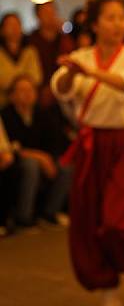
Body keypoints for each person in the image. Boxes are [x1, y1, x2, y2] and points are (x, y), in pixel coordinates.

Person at [51, 0, 124, 306]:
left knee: (118, 220)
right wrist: (70, 72)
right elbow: (61, 89)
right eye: (110, 18)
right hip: (91, 144)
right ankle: (107, 287)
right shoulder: (80, 57)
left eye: (122, 18)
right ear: (95, 24)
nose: (119, 24)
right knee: (90, 221)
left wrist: (89, 73)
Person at [1, 75, 72, 228]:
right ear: (12, 95)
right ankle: (24, 217)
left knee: (66, 166)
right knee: (31, 165)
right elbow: (9, 147)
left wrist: (51, 158)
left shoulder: (43, 114)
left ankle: (49, 212)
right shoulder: (6, 115)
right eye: (22, 90)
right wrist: (40, 157)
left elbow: (55, 141)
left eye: (30, 90)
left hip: (45, 157)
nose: (27, 94)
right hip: (17, 159)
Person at [0, 13, 42, 108]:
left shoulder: (30, 51)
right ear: (2, 30)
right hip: (3, 105)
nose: (14, 28)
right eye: (10, 25)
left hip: (29, 105)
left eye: (17, 24)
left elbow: (36, 77)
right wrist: (22, 82)